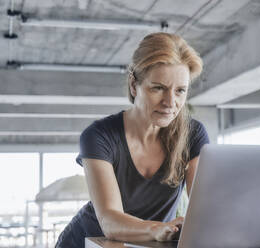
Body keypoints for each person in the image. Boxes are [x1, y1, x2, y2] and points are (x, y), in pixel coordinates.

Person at [55, 32, 209, 247]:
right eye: (158, 88)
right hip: (90, 242)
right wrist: (157, 229)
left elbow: (204, 205)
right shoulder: (99, 136)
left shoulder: (192, 134)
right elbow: (109, 219)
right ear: (134, 85)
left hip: (147, 243)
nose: (170, 102)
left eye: (180, 91)